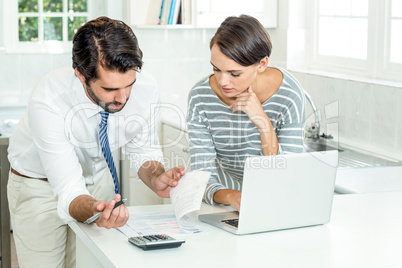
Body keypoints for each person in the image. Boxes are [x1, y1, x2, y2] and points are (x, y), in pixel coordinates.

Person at [7, 17, 184, 267]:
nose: (122, 98)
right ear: (81, 74)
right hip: (38, 186)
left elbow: (143, 148)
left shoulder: (146, 89)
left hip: (97, 179)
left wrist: (156, 177)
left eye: (129, 84)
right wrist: (96, 209)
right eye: (110, 89)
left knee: (93, 261)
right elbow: (68, 188)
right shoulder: (49, 100)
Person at [187, 15, 305, 212]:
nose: (223, 81)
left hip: (280, 203)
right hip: (224, 206)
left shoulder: (289, 94)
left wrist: (264, 123)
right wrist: (233, 196)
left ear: (261, 64)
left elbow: (288, 177)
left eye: (234, 74)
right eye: (216, 69)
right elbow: (202, 179)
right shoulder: (200, 97)